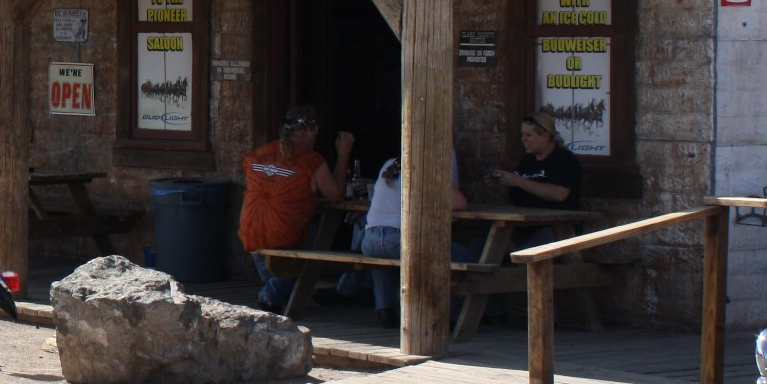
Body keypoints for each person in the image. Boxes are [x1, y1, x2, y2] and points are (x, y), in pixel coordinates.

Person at [241, 105, 352, 311]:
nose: (316, 136)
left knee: (280, 270)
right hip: (283, 235)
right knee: (316, 242)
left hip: (250, 232)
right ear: (308, 131)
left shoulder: (256, 156)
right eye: (315, 131)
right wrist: (343, 154)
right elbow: (334, 195)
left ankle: (277, 293)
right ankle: (271, 295)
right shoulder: (311, 161)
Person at [356, 151, 473, 325]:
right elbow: (459, 203)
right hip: (399, 240)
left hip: (369, 240)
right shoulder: (427, 167)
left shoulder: (389, 163)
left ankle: (384, 309)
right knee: (464, 256)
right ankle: (450, 316)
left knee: (383, 253)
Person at [487, 110, 583, 211]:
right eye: (522, 135)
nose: (522, 139)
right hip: (526, 222)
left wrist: (519, 181)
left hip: (554, 224)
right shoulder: (528, 160)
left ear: (545, 136)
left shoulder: (564, 159)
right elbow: (516, 198)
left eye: (528, 135)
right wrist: (501, 186)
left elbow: (559, 194)